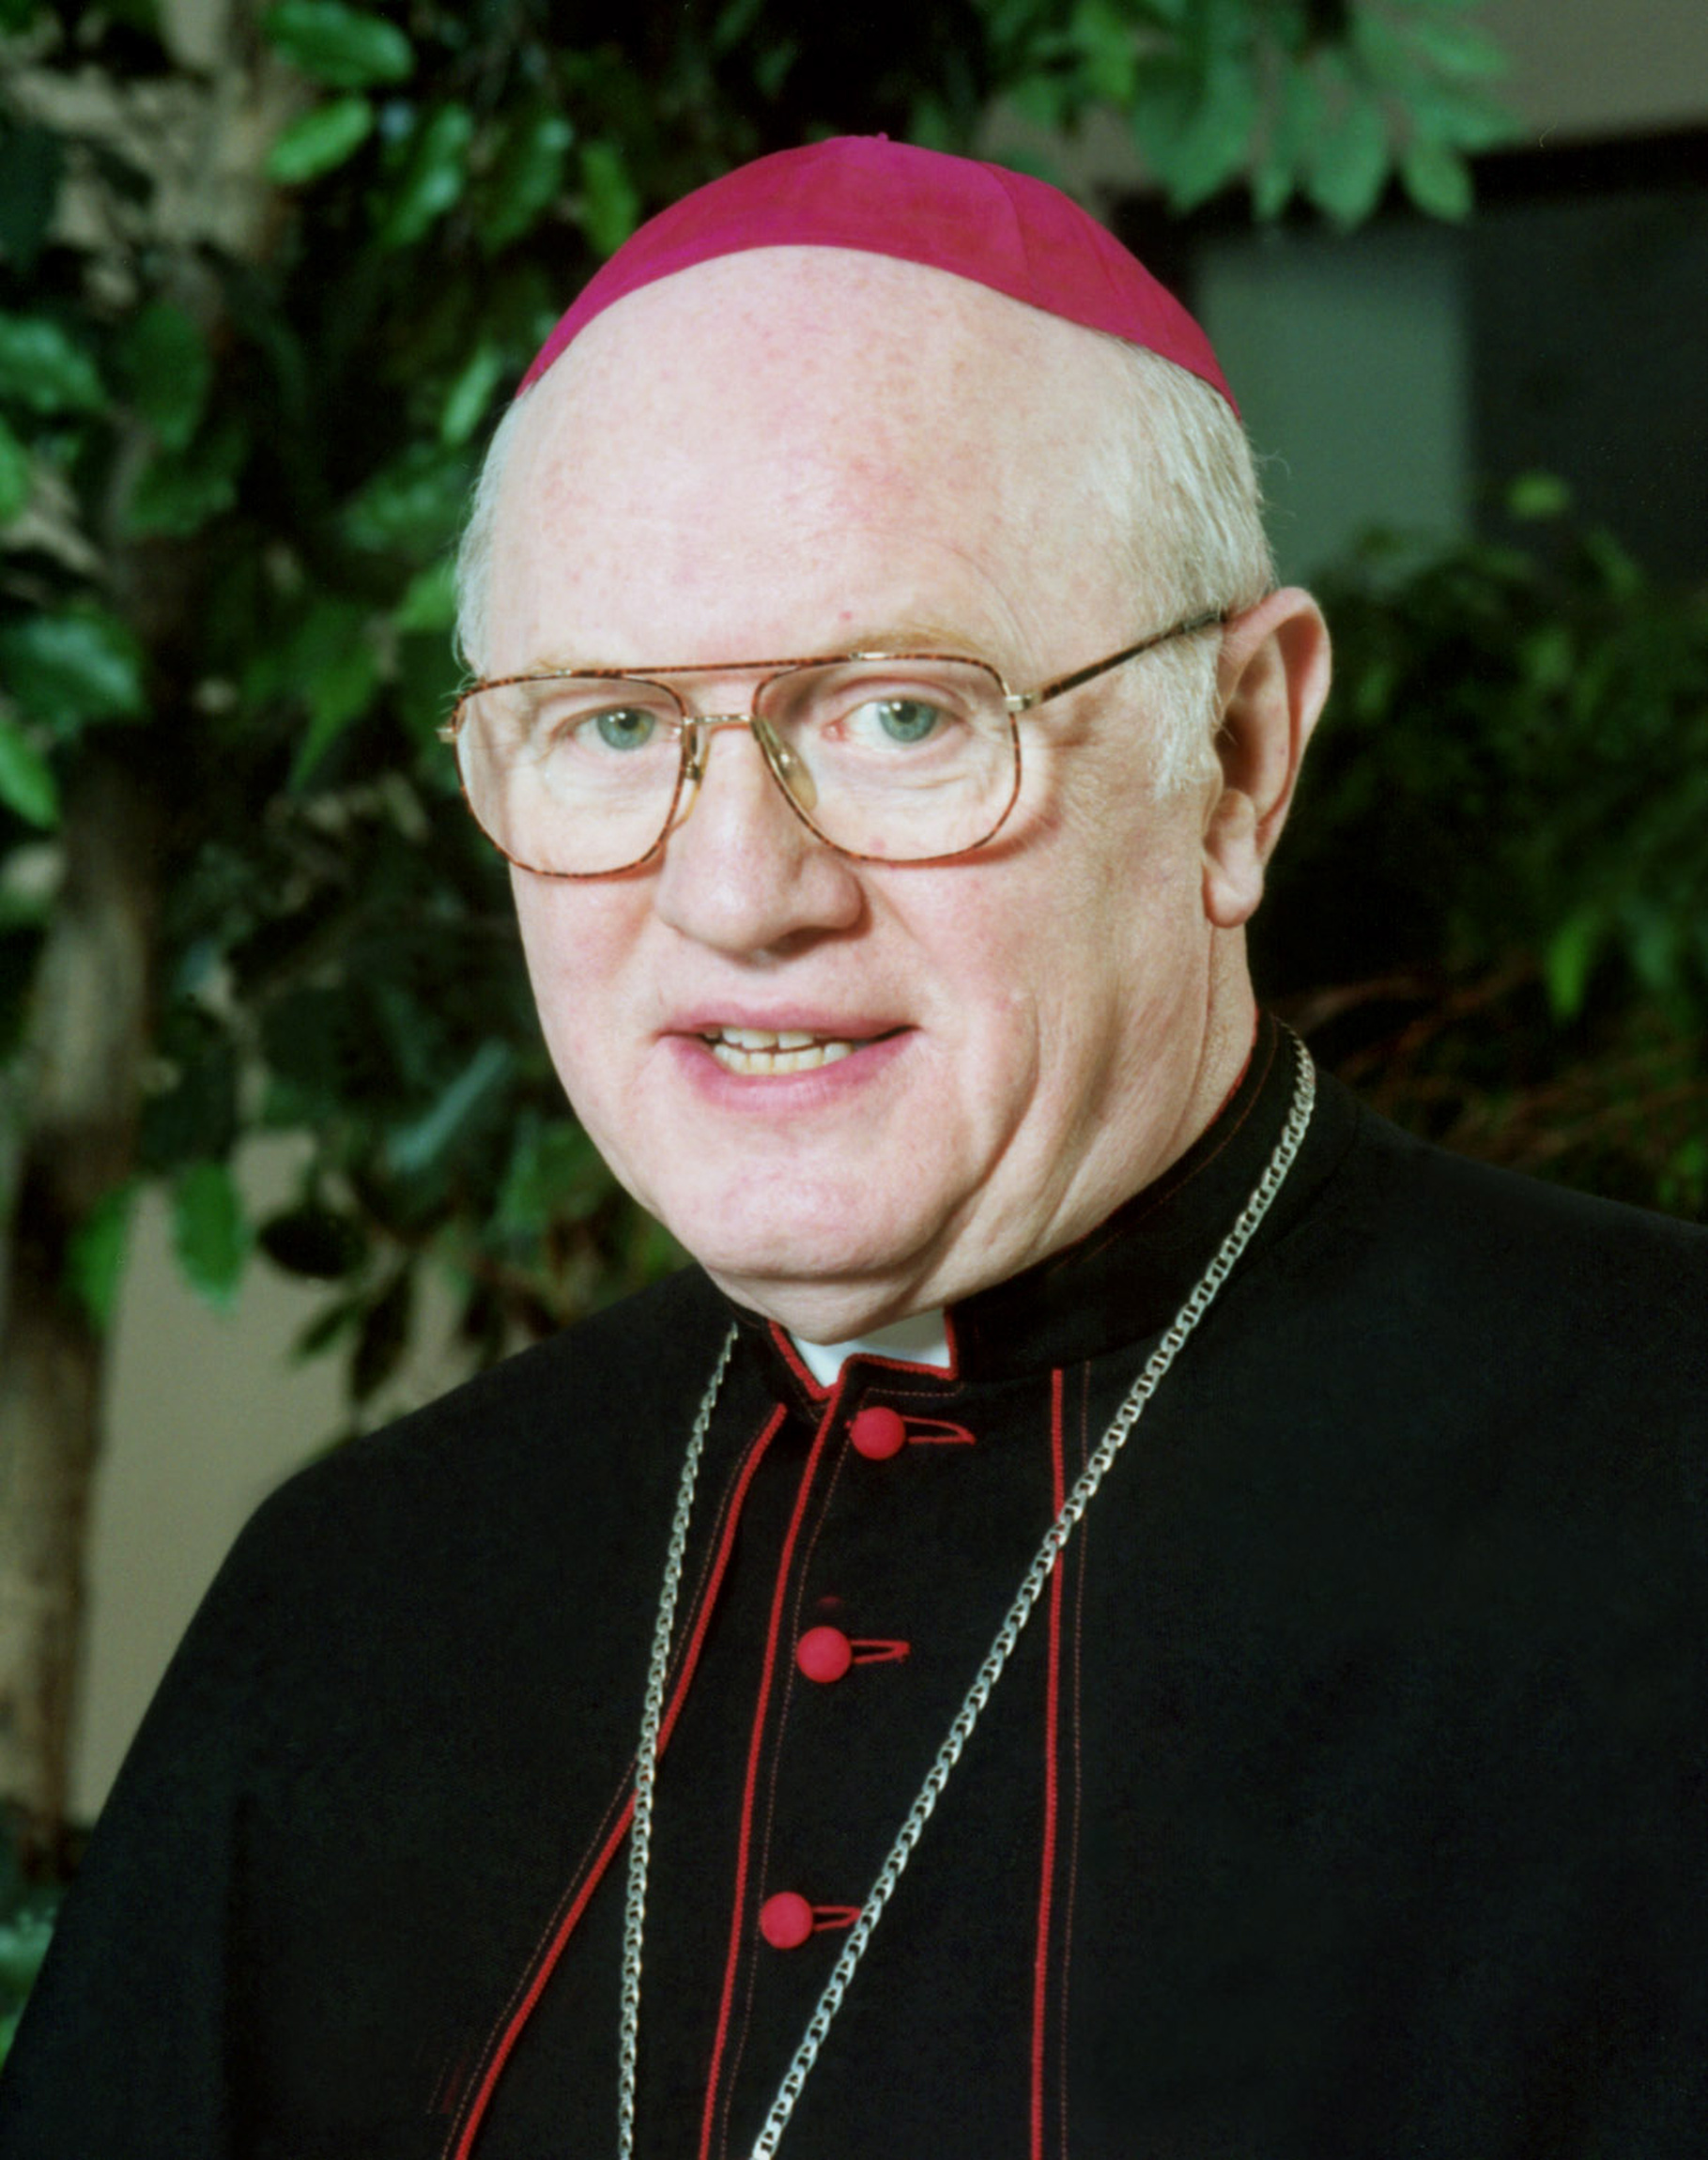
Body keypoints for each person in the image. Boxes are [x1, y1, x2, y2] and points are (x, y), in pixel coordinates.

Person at [1, 136, 1703, 2160]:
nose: (737, 891)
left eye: (900, 711)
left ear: (1239, 751)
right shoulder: (357, 1599)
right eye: (612, 725)